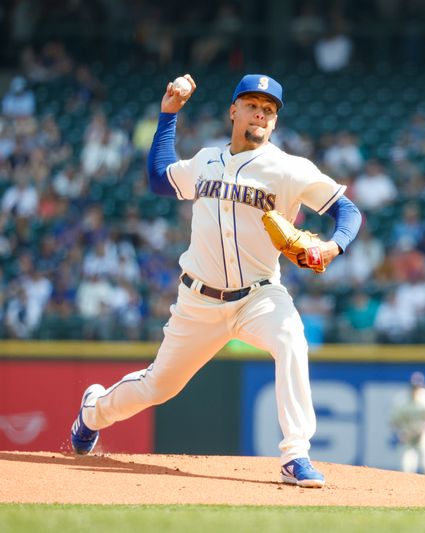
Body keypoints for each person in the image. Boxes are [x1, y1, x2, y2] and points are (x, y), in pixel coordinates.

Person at [69, 73, 363, 489]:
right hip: (199, 300)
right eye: (253, 105)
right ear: (233, 110)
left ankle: (295, 454)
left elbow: (348, 212)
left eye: (269, 109)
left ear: (275, 122)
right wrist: (168, 114)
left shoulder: (289, 169)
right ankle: (94, 410)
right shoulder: (206, 160)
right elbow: (159, 179)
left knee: (291, 340)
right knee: (159, 385)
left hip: (259, 296)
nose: (260, 114)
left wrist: (333, 248)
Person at [390, 371, 425, 477]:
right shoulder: (401, 399)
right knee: (405, 467)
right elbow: (393, 421)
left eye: (418, 386)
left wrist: (424, 428)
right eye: (414, 386)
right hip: (408, 435)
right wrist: (401, 432)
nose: (416, 389)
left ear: (423, 386)